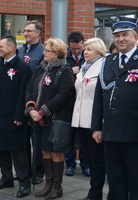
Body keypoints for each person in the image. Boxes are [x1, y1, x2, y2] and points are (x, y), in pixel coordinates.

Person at [92, 16, 138, 200]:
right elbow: (99, 96)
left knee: (137, 178)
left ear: (135, 36)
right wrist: (97, 126)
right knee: (114, 178)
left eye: (125, 35)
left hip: (135, 133)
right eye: (117, 36)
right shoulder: (108, 61)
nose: (121, 39)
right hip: (111, 131)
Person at [0, 35, 32, 198]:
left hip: (14, 116)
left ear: (11, 48)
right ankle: (6, 178)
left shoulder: (23, 68)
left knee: (18, 150)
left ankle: (24, 183)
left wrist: (20, 116)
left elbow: (24, 94)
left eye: (1, 46)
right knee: (1, 147)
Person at [25, 37, 75, 199]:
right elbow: (30, 89)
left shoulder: (65, 70)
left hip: (56, 119)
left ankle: (57, 187)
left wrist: (43, 111)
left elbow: (64, 95)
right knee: (44, 151)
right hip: (39, 120)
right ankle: (48, 184)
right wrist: (31, 108)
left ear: (57, 53)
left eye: (47, 50)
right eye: (44, 50)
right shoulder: (40, 69)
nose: (44, 53)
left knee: (56, 152)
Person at [71, 38, 107, 200]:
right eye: (85, 49)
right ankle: (94, 192)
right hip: (80, 120)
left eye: (89, 49)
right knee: (89, 159)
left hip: (95, 121)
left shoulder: (104, 67)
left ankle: (95, 194)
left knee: (97, 161)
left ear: (99, 51)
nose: (85, 52)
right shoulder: (83, 68)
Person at [18, 20, 45, 185]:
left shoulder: (42, 51)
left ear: (38, 33)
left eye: (29, 31)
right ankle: (24, 171)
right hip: (21, 100)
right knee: (23, 140)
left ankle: (37, 172)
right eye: (24, 31)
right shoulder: (20, 50)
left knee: (37, 141)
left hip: (36, 101)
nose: (25, 33)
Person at [65, 31, 90, 177]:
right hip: (69, 102)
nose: (76, 51)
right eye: (73, 49)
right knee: (69, 135)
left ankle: (85, 164)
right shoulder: (65, 58)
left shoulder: (87, 57)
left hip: (84, 102)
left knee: (84, 135)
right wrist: (70, 70)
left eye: (79, 48)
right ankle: (70, 164)